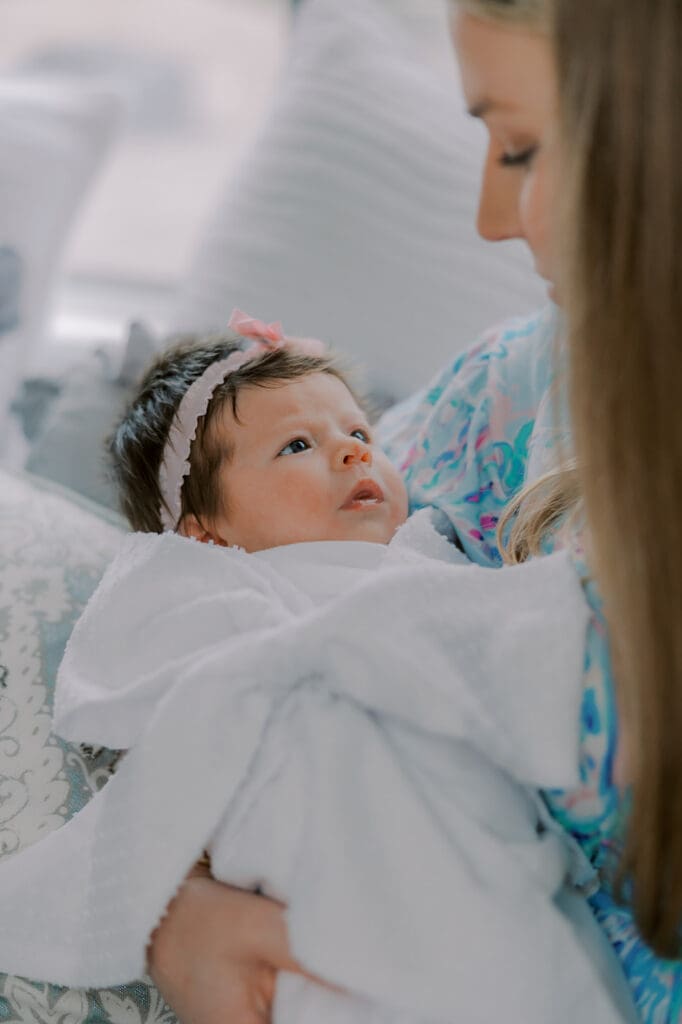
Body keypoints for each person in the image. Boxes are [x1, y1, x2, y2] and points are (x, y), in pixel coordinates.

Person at [141, 1, 682, 1022]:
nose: (488, 216)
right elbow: (276, 584)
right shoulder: (514, 390)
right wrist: (183, 911)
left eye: (518, 147)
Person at [0, 311, 621, 1023]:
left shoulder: (426, 556)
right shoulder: (209, 586)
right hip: (330, 851)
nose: (354, 454)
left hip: (493, 848)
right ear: (204, 530)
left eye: (360, 434)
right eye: (297, 444)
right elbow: (172, 694)